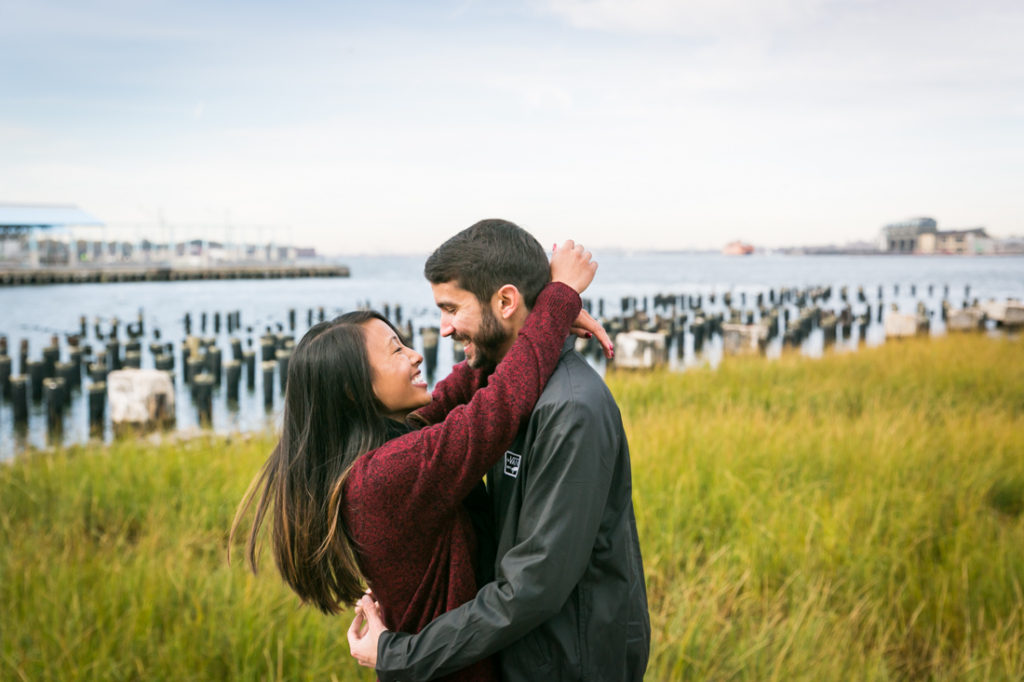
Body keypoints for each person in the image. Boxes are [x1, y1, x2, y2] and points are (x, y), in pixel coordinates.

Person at [231, 239, 609, 682]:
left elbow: (463, 388)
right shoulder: (386, 475)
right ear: (355, 391)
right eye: (395, 350)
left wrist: (530, 321)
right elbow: (499, 406)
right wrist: (558, 298)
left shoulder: (386, 448)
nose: (415, 354)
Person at [349, 219, 650, 681]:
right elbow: (489, 385)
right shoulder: (510, 391)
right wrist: (550, 306)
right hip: (527, 659)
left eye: (451, 308)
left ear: (506, 301)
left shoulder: (569, 408)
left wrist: (400, 654)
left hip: (567, 668)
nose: (443, 330)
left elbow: (532, 587)